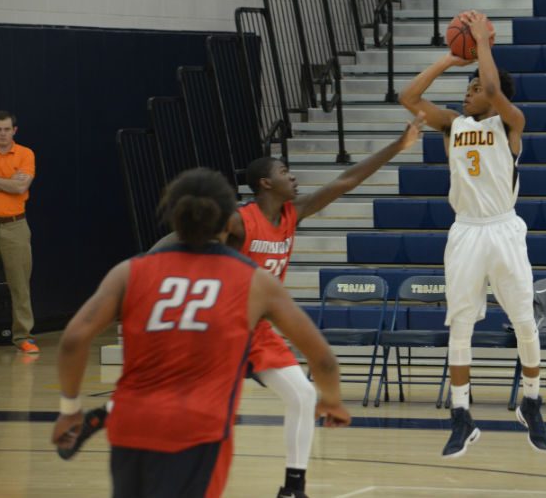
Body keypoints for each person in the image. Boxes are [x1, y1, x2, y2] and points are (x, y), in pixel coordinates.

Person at [60, 124, 424, 498]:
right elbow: (184, 236)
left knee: (301, 394)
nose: (293, 176)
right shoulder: (237, 219)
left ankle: (293, 488)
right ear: (265, 183)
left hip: (258, 329)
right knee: (178, 387)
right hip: (220, 323)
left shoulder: (292, 214)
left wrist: (398, 145)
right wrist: (155, 262)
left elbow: (346, 180)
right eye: (284, 172)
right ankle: (102, 414)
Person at [51, 168, 351, 498]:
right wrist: (333, 401)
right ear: (228, 221)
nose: (291, 177)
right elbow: (323, 359)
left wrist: (69, 409)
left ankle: (294, 487)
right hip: (200, 428)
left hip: (132, 425)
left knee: (293, 392)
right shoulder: (252, 281)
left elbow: (74, 339)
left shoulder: (130, 272)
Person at [398, 10, 546, 457]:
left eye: (474, 89)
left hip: (503, 229)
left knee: (524, 318)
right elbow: (410, 97)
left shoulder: (510, 123)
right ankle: (461, 416)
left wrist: (482, 42)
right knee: (460, 324)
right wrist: (449, 60)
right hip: (465, 231)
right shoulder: (452, 125)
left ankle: (532, 401)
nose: (468, 94)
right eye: (466, 89)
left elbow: (495, 88)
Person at [0, 111, 36, 355]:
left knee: (20, 284)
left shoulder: (25, 154)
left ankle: (23, 336)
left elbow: (21, 185)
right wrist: (6, 181)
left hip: (15, 226)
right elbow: (12, 184)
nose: (1, 134)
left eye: (6, 129)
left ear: (14, 131)